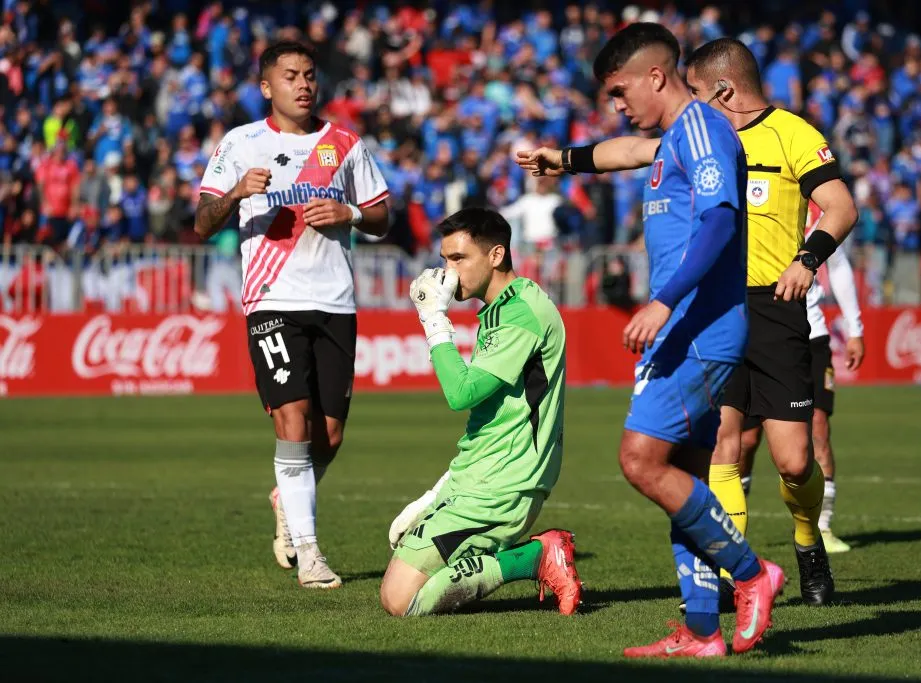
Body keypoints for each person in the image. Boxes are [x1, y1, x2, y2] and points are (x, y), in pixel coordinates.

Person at [516, 23, 784, 658]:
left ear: (656, 76)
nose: (616, 105)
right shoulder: (673, 139)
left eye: (618, 91)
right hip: (690, 326)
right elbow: (622, 153)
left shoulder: (700, 128)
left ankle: (751, 575)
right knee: (681, 474)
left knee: (639, 460)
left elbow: (720, 218)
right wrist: (566, 159)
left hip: (697, 325)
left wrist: (663, 302)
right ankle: (700, 631)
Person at [193, 40, 390, 589]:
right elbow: (202, 223)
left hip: (334, 299)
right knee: (293, 420)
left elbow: (381, 215)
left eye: (309, 75)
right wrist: (234, 193)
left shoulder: (345, 142)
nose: (303, 84)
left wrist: (348, 210)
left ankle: (287, 495)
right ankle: (309, 552)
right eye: (290, 76)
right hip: (272, 298)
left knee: (328, 436)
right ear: (266, 87)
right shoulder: (240, 143)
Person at [684, 38, 858, 605]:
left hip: (776, 312)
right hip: (716, 309)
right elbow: (635, 150)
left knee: (794, 459)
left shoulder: (793, 133)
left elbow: (842, 207)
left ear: (723, 89)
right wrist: (569, 159)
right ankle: (741, 577)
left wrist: (807, 260)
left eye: (695, 92)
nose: (689, 105)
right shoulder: (699, 136)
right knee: (724, 449)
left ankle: (808, 544)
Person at [379, 207, 582, 617]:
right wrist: (438, 491)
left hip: (503, 486)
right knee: (399, 578)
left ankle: (535, 557)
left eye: (459, 259)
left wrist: (433, 319)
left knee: (399, 601)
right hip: (478, 477)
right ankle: (521, 554)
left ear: (496, 255)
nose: (448, 271)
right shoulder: (502, 308)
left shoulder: (520, 313)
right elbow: (488, 418)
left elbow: (461, 394)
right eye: (444, 259)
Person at [738, 202, 866, 555]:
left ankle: (820, 528)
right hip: (758, 332)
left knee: (818, 431)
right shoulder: (750, 202)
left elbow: (838, 266)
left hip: (811, 337)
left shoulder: (821, 211)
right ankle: (735, 529)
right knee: (745, 441)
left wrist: (854, 328)